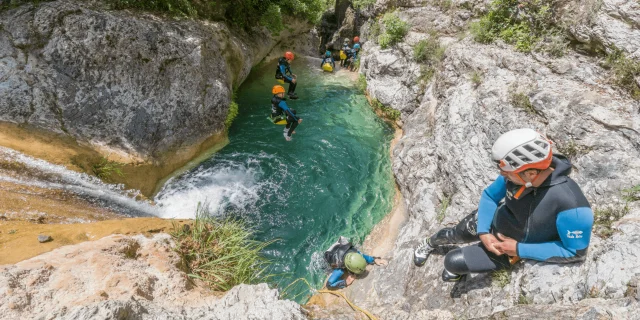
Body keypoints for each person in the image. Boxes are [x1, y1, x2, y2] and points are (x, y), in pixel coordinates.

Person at [413, 128, 594, 282]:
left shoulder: (572, 206)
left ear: (530, 173)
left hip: (510, 250)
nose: (502, 174)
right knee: (453, 234)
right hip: (494, 223)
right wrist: (483, 232)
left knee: (452, 262)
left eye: (507, 172)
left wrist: (518, 249)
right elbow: (490, 196)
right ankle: (429, 243)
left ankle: (455, 273)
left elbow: (575, 252)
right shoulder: (519, 176)